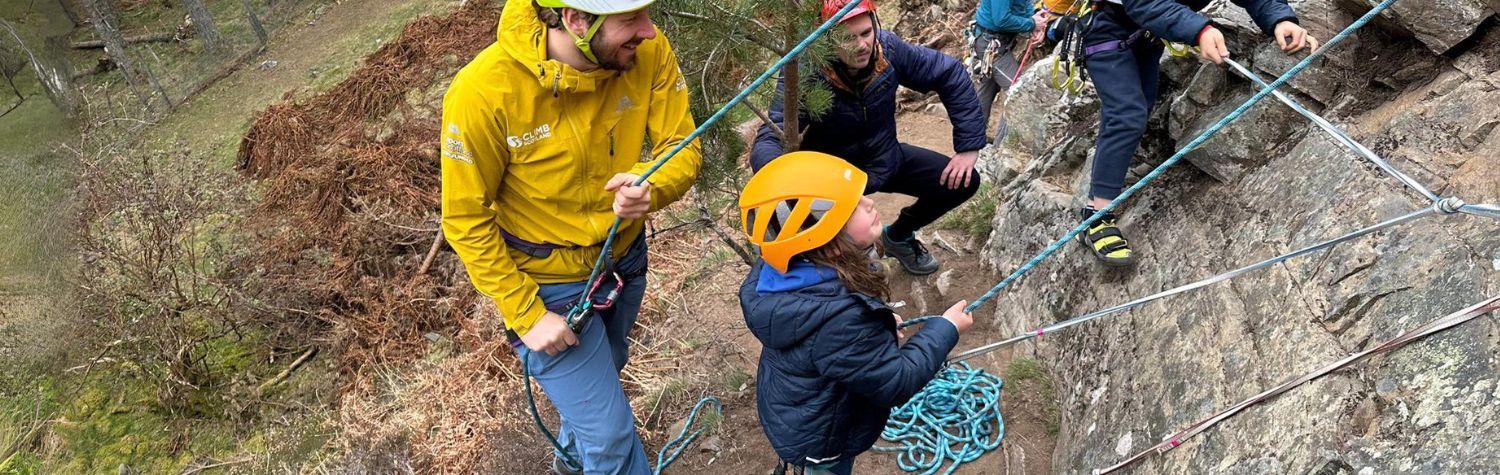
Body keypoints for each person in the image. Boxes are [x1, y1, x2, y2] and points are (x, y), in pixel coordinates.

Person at [439, 0, 701, 472]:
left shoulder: (647, 51)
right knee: (612, 441)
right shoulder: (482, 92)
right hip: (547, 287)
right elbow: (464, 218)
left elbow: (680, 147)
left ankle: (572, 458)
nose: (649, 30)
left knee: (612, 363)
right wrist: (526, 315)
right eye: (630, 20)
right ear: (576, 21)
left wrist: (651, 184)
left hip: (623, 259)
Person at [737, 151, 974, 475]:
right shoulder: (843, 319)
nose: (870, 204)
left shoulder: (782, 274)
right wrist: (945, 329)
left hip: (799, 410)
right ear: (830, 244)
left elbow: (829, 339)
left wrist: (877, 325)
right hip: (824, 439)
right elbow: (897, 381)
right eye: (854, 207)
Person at [751, 0, 987, 276]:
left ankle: (898, 236)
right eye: (848, 38)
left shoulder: (887, 49)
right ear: (826, 39)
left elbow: (948, 73)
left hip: (885, 159)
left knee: (963, 182)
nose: (862, 45)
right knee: (851, 269)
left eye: (865, 32)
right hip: (834, 187)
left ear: (875, 23)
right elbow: (776, 129)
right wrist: (779, 179)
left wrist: (969, 146)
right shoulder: (806, 70)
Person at [1073, 0, 1316, 266]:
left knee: (1138, 110)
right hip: (1106, 29)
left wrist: (1280, 18)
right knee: (1127, 117)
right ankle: (1096, 217)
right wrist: (1199, 30)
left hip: (1145, 34)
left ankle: (1108, 179)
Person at [968, 0, 1048, 145]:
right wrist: (1031, 24)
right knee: (1018, 92)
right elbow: (1001, 20)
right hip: (991, 44)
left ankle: (972, 141)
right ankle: (999, 148)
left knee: (986, 91)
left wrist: (1035, 22)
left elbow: (1023, 5)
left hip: (993, 42)